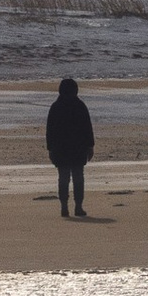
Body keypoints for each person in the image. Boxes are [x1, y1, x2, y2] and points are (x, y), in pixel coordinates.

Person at [46, 75, 94, 217]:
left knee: (63, 177)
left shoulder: (55, 107)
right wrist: (90, 146)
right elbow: (87, 128)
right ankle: (78, 206)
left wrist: (50, 148)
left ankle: (64, 206)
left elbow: (50, 130)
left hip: (60, 149)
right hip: (78, 148)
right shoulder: (80, 106)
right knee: (78, 177)